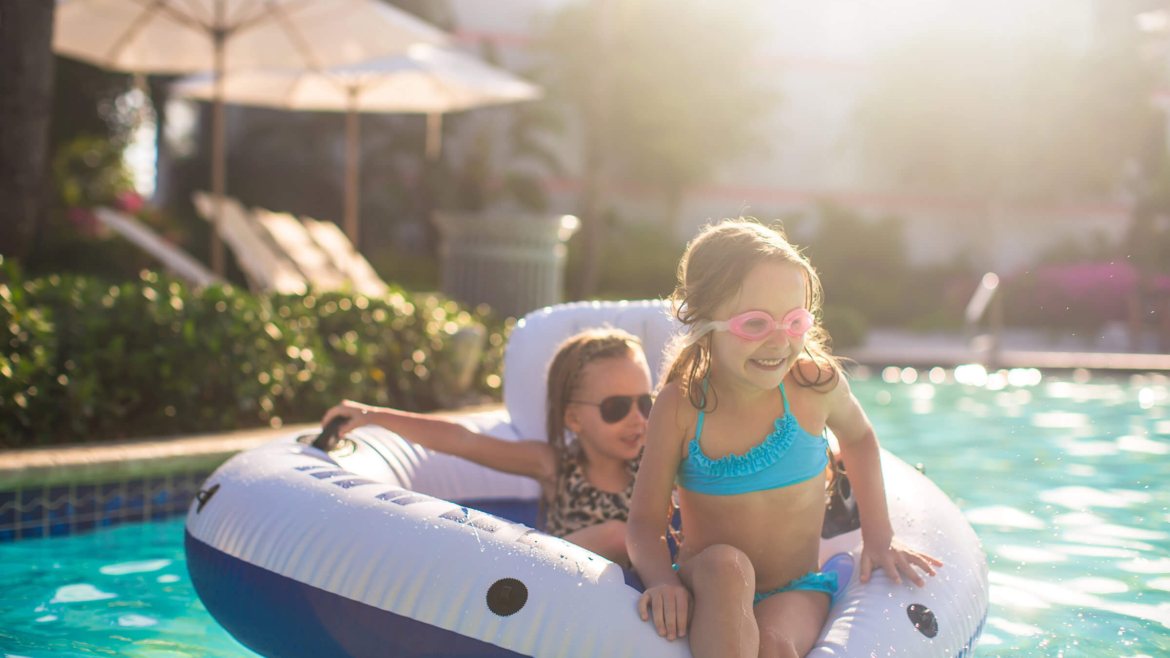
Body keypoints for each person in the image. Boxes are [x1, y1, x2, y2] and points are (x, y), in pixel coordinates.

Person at [627, 219, 943, 658]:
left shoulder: (814, 386)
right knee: (727, 566)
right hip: (707, 582)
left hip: (796, 589)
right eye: (755, 324)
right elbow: (644, 523)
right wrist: (662, 582)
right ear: (704, 321)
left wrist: (878, 536)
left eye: (794, 322)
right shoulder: (682, 407)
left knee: (775, 645)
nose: (779, 342)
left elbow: (860, 439)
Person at [322, 328, 651, 567]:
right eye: (617, 408)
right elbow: (463, 441)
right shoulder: (554, 465)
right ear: (574, 418)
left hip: (633, 601)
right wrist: (371, 416)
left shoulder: (653, 466)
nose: (637, 419)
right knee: (617, 536)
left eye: (646, 404)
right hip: (558, 584)